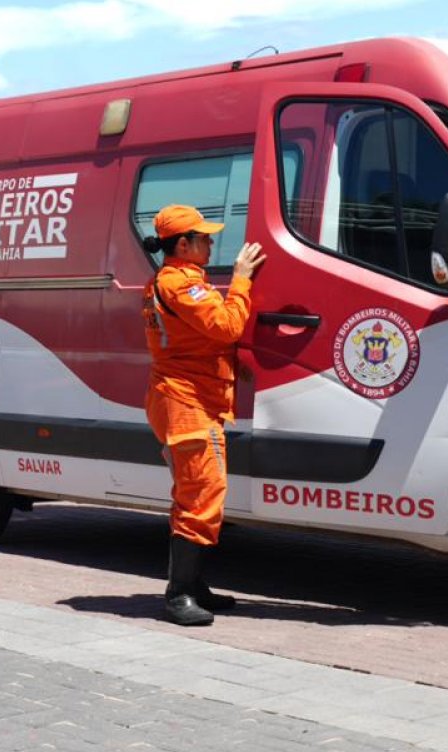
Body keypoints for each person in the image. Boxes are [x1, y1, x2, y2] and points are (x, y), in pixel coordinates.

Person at [140, 205, 266, 626]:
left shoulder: (180, 282)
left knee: (195, 493)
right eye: (204, 237)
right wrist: (243, 279)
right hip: (186, 404)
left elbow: (198, 340)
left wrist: (232, 362)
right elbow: (226, 326)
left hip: (188, 400)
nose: (211, 243)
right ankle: (179, 595)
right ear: (183, 244)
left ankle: (193, 586)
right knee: (201, 495)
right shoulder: (179, 285)